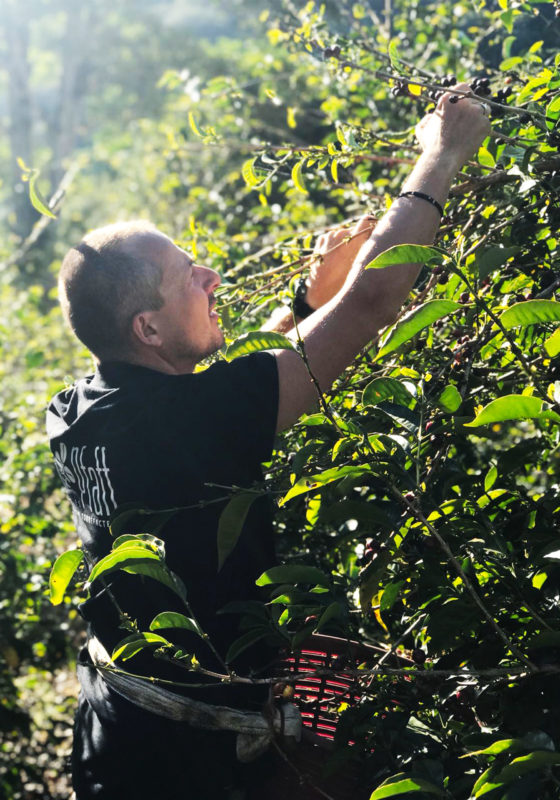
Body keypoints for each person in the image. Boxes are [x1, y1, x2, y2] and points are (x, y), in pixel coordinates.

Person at [47, 84, 490, 799]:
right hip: (198, 761)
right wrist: (441, 155)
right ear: (147, 331)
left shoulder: (75, 411)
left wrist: (303, 306)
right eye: (186, 278)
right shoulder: (192, 417)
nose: (211, 276)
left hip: (114, 728)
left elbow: (211, 407)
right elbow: (374, 302)